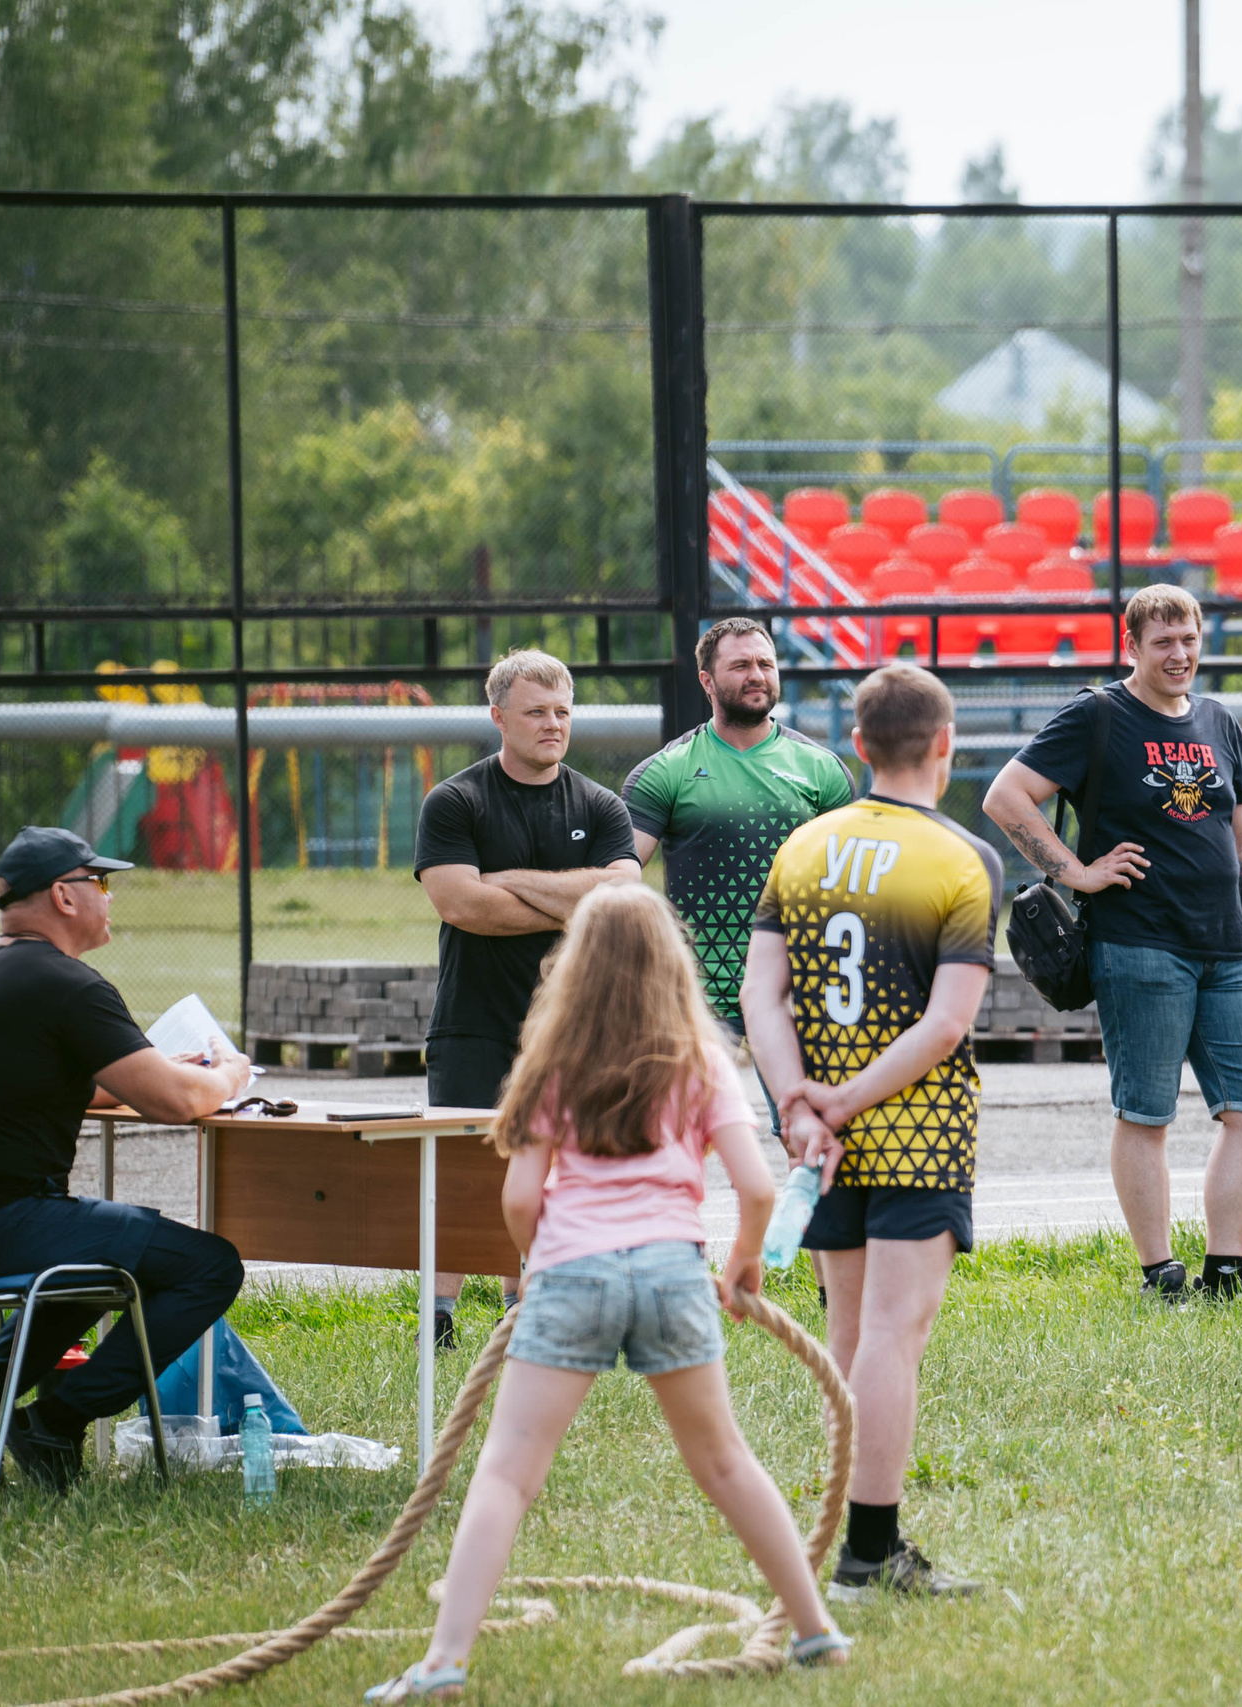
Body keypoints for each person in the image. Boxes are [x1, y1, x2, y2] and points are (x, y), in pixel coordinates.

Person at [364, 884, 849, 1701]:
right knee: (725, 1460)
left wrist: (535, 1264)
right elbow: (758, 1187)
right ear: (674, 967)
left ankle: (445, 1662)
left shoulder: (556, 1062)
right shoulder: (698, 1059)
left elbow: (521, 1198)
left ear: (576, 969)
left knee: (508, 1473)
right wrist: (741, 1263)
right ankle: (813, 1629)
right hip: (671, 1271)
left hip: (571, 1274)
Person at [741, 664, 1001, 1602]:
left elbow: (758, 994)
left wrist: (797, 1105)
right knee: (893, 1334)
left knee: (850, 1332)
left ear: (856, 745)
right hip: (917, 1129)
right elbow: (943, 1027)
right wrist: (846, 1100)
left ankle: (846, 1525)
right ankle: (868, 1551)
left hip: (822, 1136)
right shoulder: (962, 859)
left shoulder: (804, 845)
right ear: (945, 742)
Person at [0, 826, 253, 1492]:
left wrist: (141, 1071)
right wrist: (228, 1071)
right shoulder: (66, 983)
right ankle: (57, 1420)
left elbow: (30, 1075)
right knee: (209, 1265)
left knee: (99, 1252)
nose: (110, 897)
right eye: (102, 882)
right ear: (65, 895)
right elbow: (179, 1103)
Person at [981, 585, 1242, 1302]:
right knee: (1147, 1112)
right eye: (1163, 642)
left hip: (1227, 950)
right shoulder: (1099, 713)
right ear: (1132, 647)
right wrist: (1077, 872)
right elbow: (1006, 795)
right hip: (1139, 944)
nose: (1179, 654)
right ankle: (1161, 1274)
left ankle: (1228, 1269)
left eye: (1189, 640)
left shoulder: (1219, 722)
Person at [415, 648, 641, 1346]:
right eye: (537, 711)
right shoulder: (456, 801)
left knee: (550, 1167)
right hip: (474, 1020)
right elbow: (462, 904)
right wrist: (575, 895)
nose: (553, 724)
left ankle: (525, 1307)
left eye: (563, 712)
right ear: (498, 716)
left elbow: (625, 893)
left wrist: (507, 881)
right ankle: (439, 1317)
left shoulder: (600, 804)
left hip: (571, 1025)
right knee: (460, 1169)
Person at [623, 617, 854, 1117]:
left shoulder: (822, 769)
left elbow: (849, 886)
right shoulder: (667, 770)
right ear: (707, 681)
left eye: (766, 664)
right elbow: (619, 880)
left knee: (809, 1133)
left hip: (799, 989)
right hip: (699, 994)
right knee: (678, 1140)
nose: (757, 675)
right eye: (741, 665)